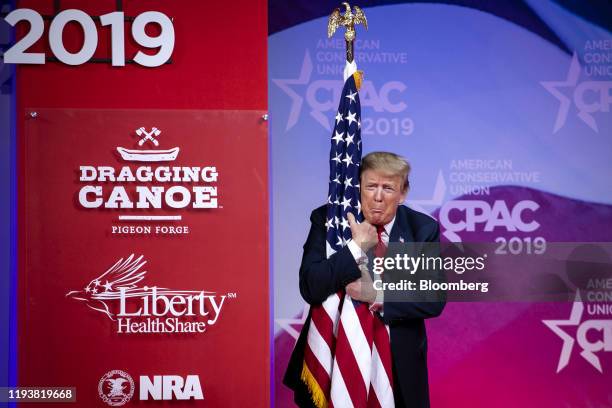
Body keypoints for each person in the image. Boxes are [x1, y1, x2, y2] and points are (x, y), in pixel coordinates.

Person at [284, 151, 445, 408]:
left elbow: (432, 297)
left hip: (398, 365)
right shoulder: (329, 221)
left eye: (388, 188)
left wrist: (376, 294)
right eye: (370, 186)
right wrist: (356, 247)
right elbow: (311, 286)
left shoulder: (421, 229)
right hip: (331, 360)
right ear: (358, 187)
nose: (378, 197)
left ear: (403, 193)